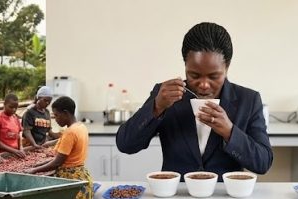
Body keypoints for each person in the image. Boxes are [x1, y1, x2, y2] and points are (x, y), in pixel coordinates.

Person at [116, 22, 272, 177]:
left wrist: (230, 132)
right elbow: (125, 145)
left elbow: (263, 163)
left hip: (225, 195)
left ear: (227, 67)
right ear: (185, 65)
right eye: (194, 76)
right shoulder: (164, 95)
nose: (204, 85)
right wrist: (157, 107)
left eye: (213, 76)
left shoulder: (249, 100)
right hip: (177, 194)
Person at [0, 93, 31, 158]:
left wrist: (21, 149)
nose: (13, 109)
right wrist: (13, 151)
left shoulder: (15, 118)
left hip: (15, 153)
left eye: (16, 108)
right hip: (2, 154)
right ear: (4, 104)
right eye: (11, 107)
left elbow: (18, 137)